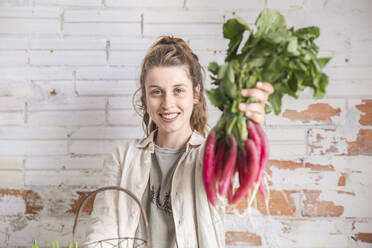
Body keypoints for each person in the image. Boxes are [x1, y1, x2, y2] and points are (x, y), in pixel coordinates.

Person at [82, 35, 274, 248]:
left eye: (178, 90)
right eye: (157, 92)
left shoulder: (207, 156)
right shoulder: (122, 156)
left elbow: (233, 156)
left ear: (196, 94)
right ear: (145, 98)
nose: (167, 103)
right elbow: (102, 232)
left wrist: (246, 121)